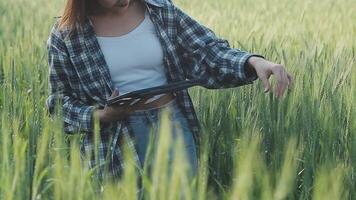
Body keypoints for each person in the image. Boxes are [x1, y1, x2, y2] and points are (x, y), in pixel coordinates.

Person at [46, 0, 293, 185]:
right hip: (113, 140)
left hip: (171, 125)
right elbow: (58, 104)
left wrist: (253, 62)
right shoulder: (66, 35)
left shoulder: (160, 10)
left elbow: (207, 51)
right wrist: (103, 116)